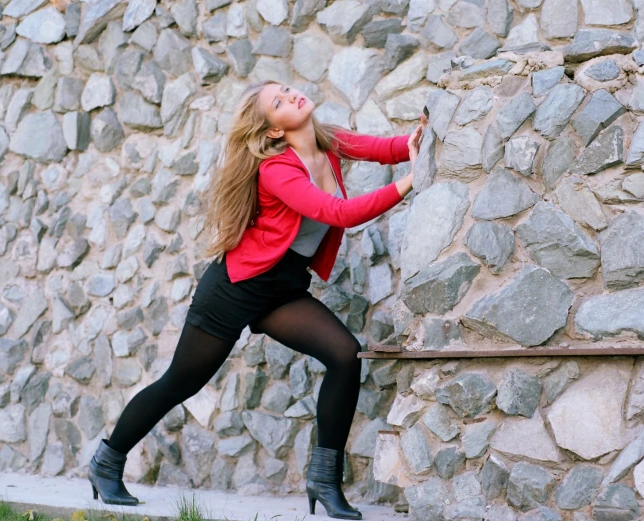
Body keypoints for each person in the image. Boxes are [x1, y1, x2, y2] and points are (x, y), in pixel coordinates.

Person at [87, 79, 427, 520]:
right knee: (181, 382)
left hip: (282, 289)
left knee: (345, 355)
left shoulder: (329, 139)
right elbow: (339, 213)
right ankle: (107, 462)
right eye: (279, 102)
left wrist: (419, 139)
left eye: (287, 90)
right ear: (272, 131)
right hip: (234, 289)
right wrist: (409, 185)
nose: (292, 96)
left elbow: (386, 148)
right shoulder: (277, 170)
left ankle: (324, 482)